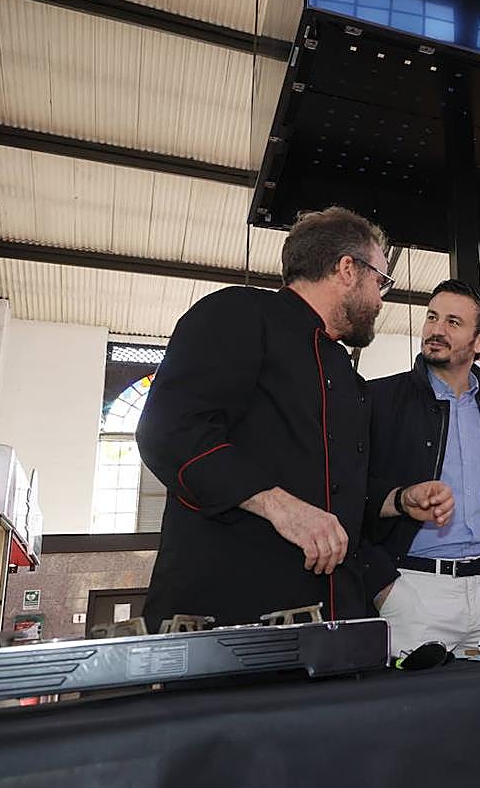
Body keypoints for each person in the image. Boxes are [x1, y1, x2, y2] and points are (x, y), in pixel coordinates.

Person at [137, 206, 431, 630]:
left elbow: (336, 494)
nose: (381, 298)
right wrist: (282, 508)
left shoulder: (346, 374)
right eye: (381, 281)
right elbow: (171, 432)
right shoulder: (237, 313)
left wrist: (400, 499)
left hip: (334, 621)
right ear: (348, 269)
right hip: (232, 617)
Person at [365, 280, 480, 655]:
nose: (436, 329)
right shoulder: (378, 400)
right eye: (432, 317)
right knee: (417, 713)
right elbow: (345, 492)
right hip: (414, 592)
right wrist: (384, 589)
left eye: (453, 322)